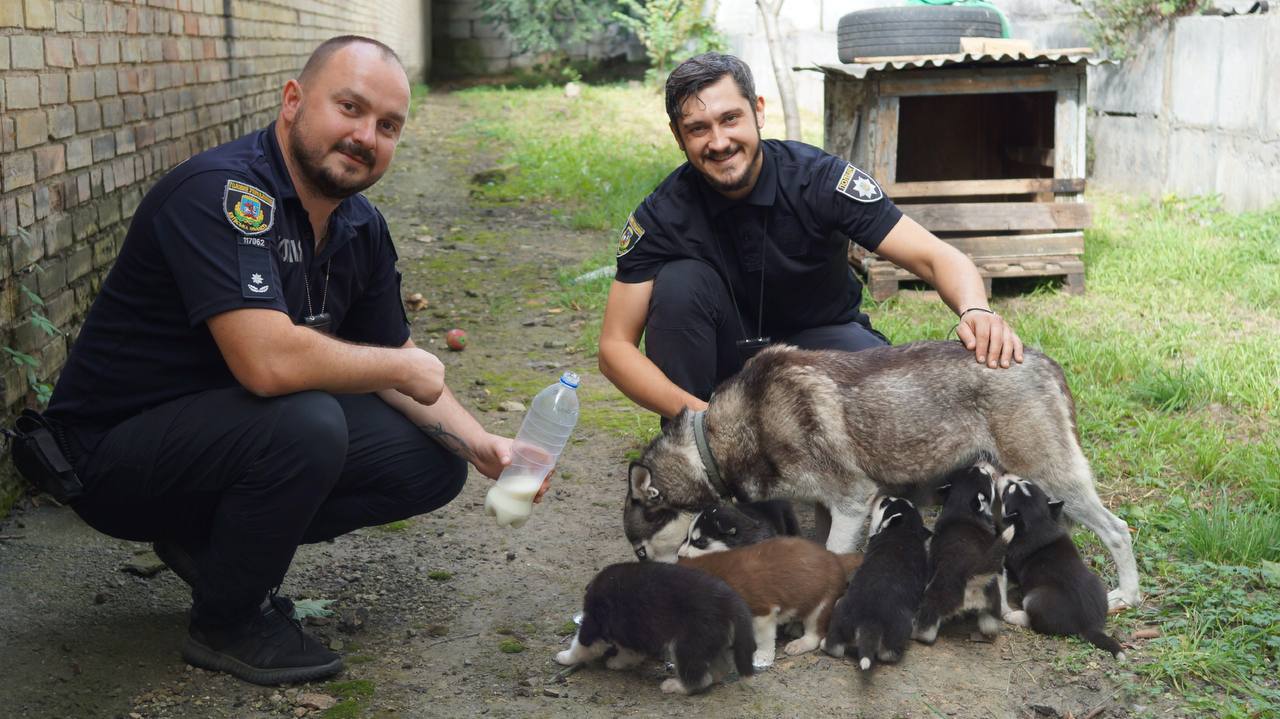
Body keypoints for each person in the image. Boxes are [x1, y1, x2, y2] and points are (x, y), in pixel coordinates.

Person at [42, 36, 526, 686]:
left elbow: (394, 352)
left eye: (387, 126)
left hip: (223, 438)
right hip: (112, 457)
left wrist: (481, 444)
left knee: (431, 463)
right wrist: (400, 369)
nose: (365, 136)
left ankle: (217, 550)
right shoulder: (224, 193)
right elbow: (268, 364)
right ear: (293, 100)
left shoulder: (361, 226)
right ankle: (228, 621)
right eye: (349, 108)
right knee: (308, 420)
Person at [598, 52, 1024, 421]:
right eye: (698, 128)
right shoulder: (662, 214)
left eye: (731, 119)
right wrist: (699, 418)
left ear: (758, 111)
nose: (719, 142)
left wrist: (976, 311)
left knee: (902, 407)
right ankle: (700, 461)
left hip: (825, 345)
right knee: (678, 284)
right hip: (720, 369)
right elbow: (615, 347)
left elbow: (935, 257)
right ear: (678, 136)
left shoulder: (819, 180)